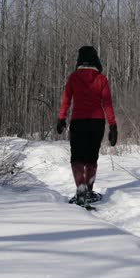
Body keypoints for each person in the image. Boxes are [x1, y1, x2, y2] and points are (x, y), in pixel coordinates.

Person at [57, 46, 117, 206]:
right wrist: (113, 125)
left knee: (77, 157)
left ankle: (81, 189)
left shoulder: (73, 78)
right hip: (97, 122)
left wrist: (61, 118)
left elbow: (66, 100)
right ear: (95, 59)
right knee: (91, 158)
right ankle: (88, 191)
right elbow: (108, 104)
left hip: (78, 122)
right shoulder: (101, 79)